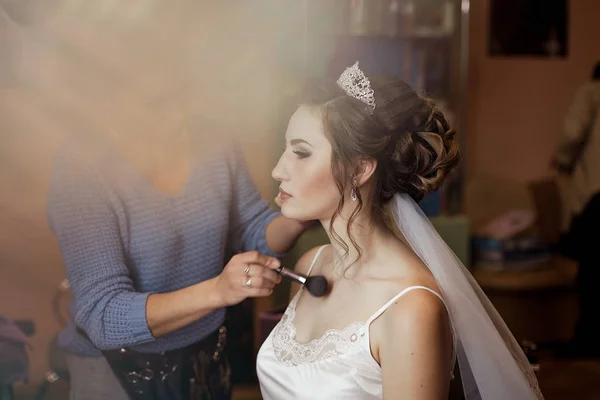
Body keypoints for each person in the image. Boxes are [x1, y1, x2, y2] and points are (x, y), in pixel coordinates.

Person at [45, 9, 310, 400]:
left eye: (179, 98)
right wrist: (218, 291)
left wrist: (302, 210)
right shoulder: (81, 171)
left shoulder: (213, 139)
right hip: (114, 373)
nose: (176, 119)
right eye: (154, 104)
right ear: (107, 98)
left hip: (205, 361)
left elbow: (254, 227)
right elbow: (104, 314)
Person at [257, 62, 542, 399]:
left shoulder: (411, 308)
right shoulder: (310, 265)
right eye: (285, 148)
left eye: (301, 152)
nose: (278, 170)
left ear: (360, 169)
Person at [552, 61, 600, 358]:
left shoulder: (592, 92)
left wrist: (562, 160)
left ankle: (587, 341)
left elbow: (572, 135)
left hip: (597, 194)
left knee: (592, 271)